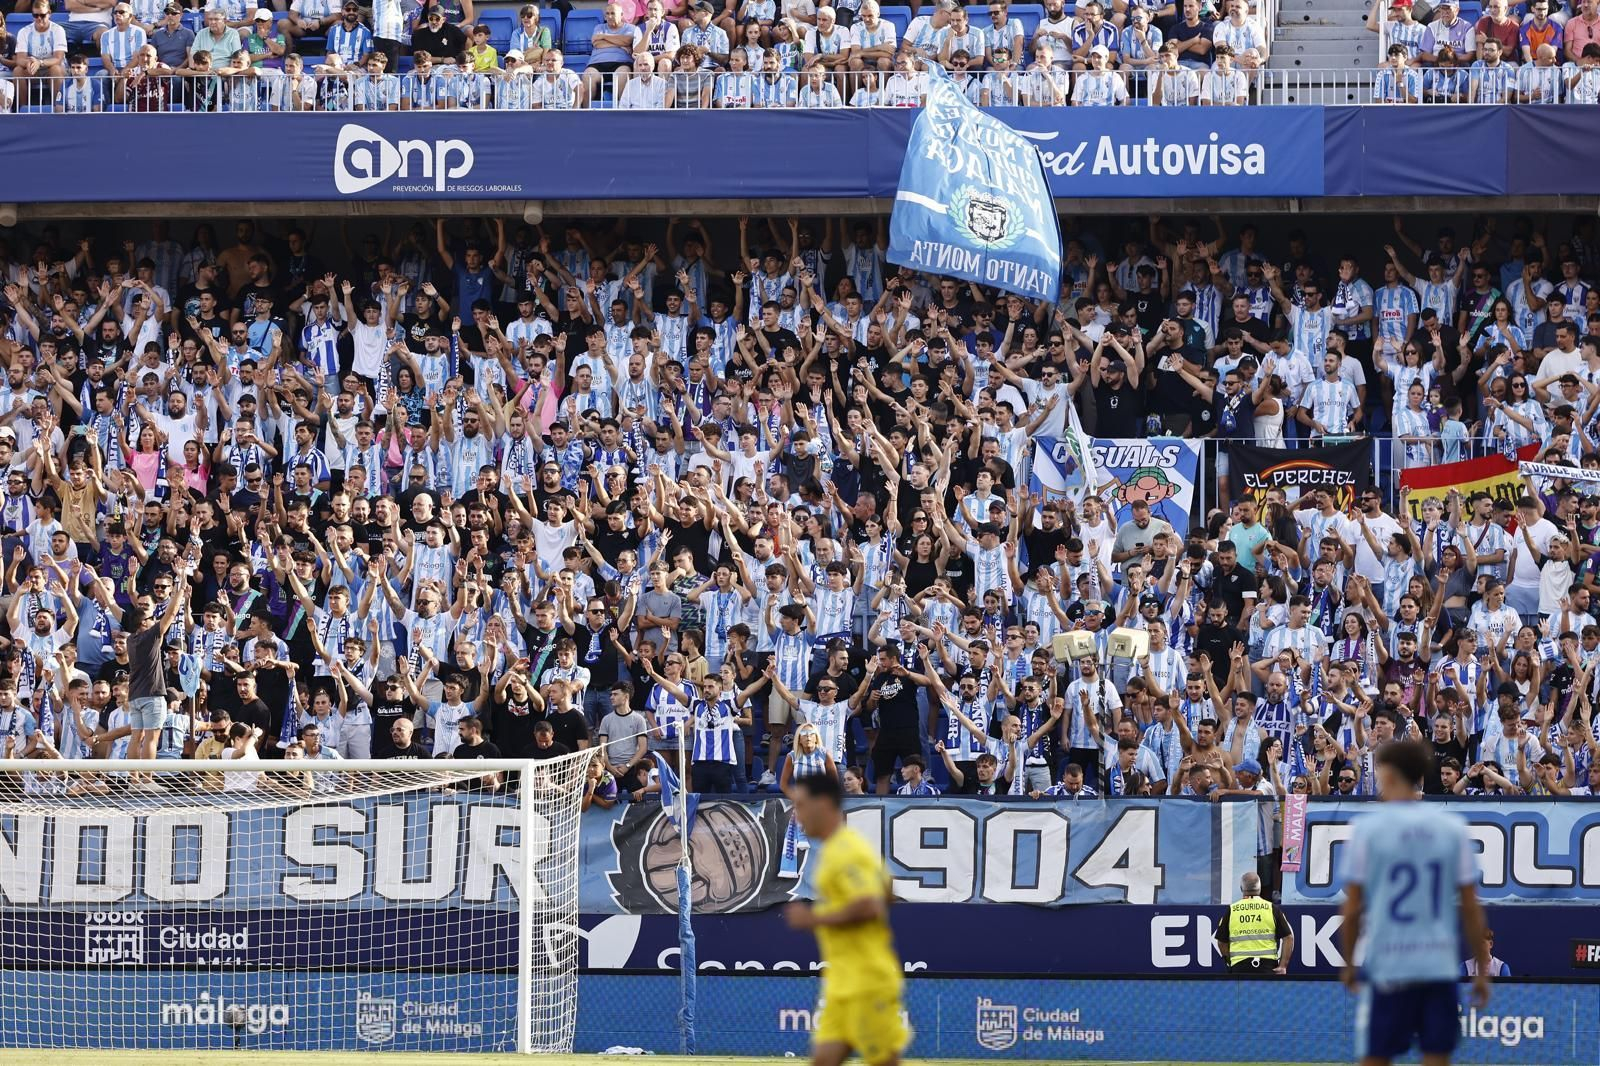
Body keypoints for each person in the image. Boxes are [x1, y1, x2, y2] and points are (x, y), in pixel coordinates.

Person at [1340, 740, 1491, 1066]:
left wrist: (1350, 963)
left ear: (1390, 774)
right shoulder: (1451, 829)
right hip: (1438, 965)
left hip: (1389, 966)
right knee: (1436, 1057)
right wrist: (1481, 967)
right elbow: (1470, 907)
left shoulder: (1367, 830)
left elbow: (1352, 909)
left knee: (1376, 1056)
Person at [784, 773, 908, 1066]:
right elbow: (887, 891)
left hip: (866, 980)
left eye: (800, 806)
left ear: (823, 804)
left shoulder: (845, 849)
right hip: (843, 981)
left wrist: (813, 919)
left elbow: (871, 906)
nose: (796, 816)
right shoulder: (838, 849)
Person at [121, 568, 190, 791]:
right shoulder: (150, 635)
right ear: (143, 623)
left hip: (135, 696)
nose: (153, 620)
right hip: (151, 695)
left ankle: (133, 780)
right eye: (150, 618)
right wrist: (179, 587)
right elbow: (170, 614)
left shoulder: (131, 640)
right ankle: (147, 781)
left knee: (135, 737)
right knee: (151, 738)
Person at [1213, 870, 1293, 975]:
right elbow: (1289, 938)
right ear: (1260, 889)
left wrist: (1230, 962)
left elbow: (1221, 943)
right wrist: (1283, 966)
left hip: (1239, 967)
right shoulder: (1272, 908)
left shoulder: (1232, 910)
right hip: (1268, 967)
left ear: (1241, 888)